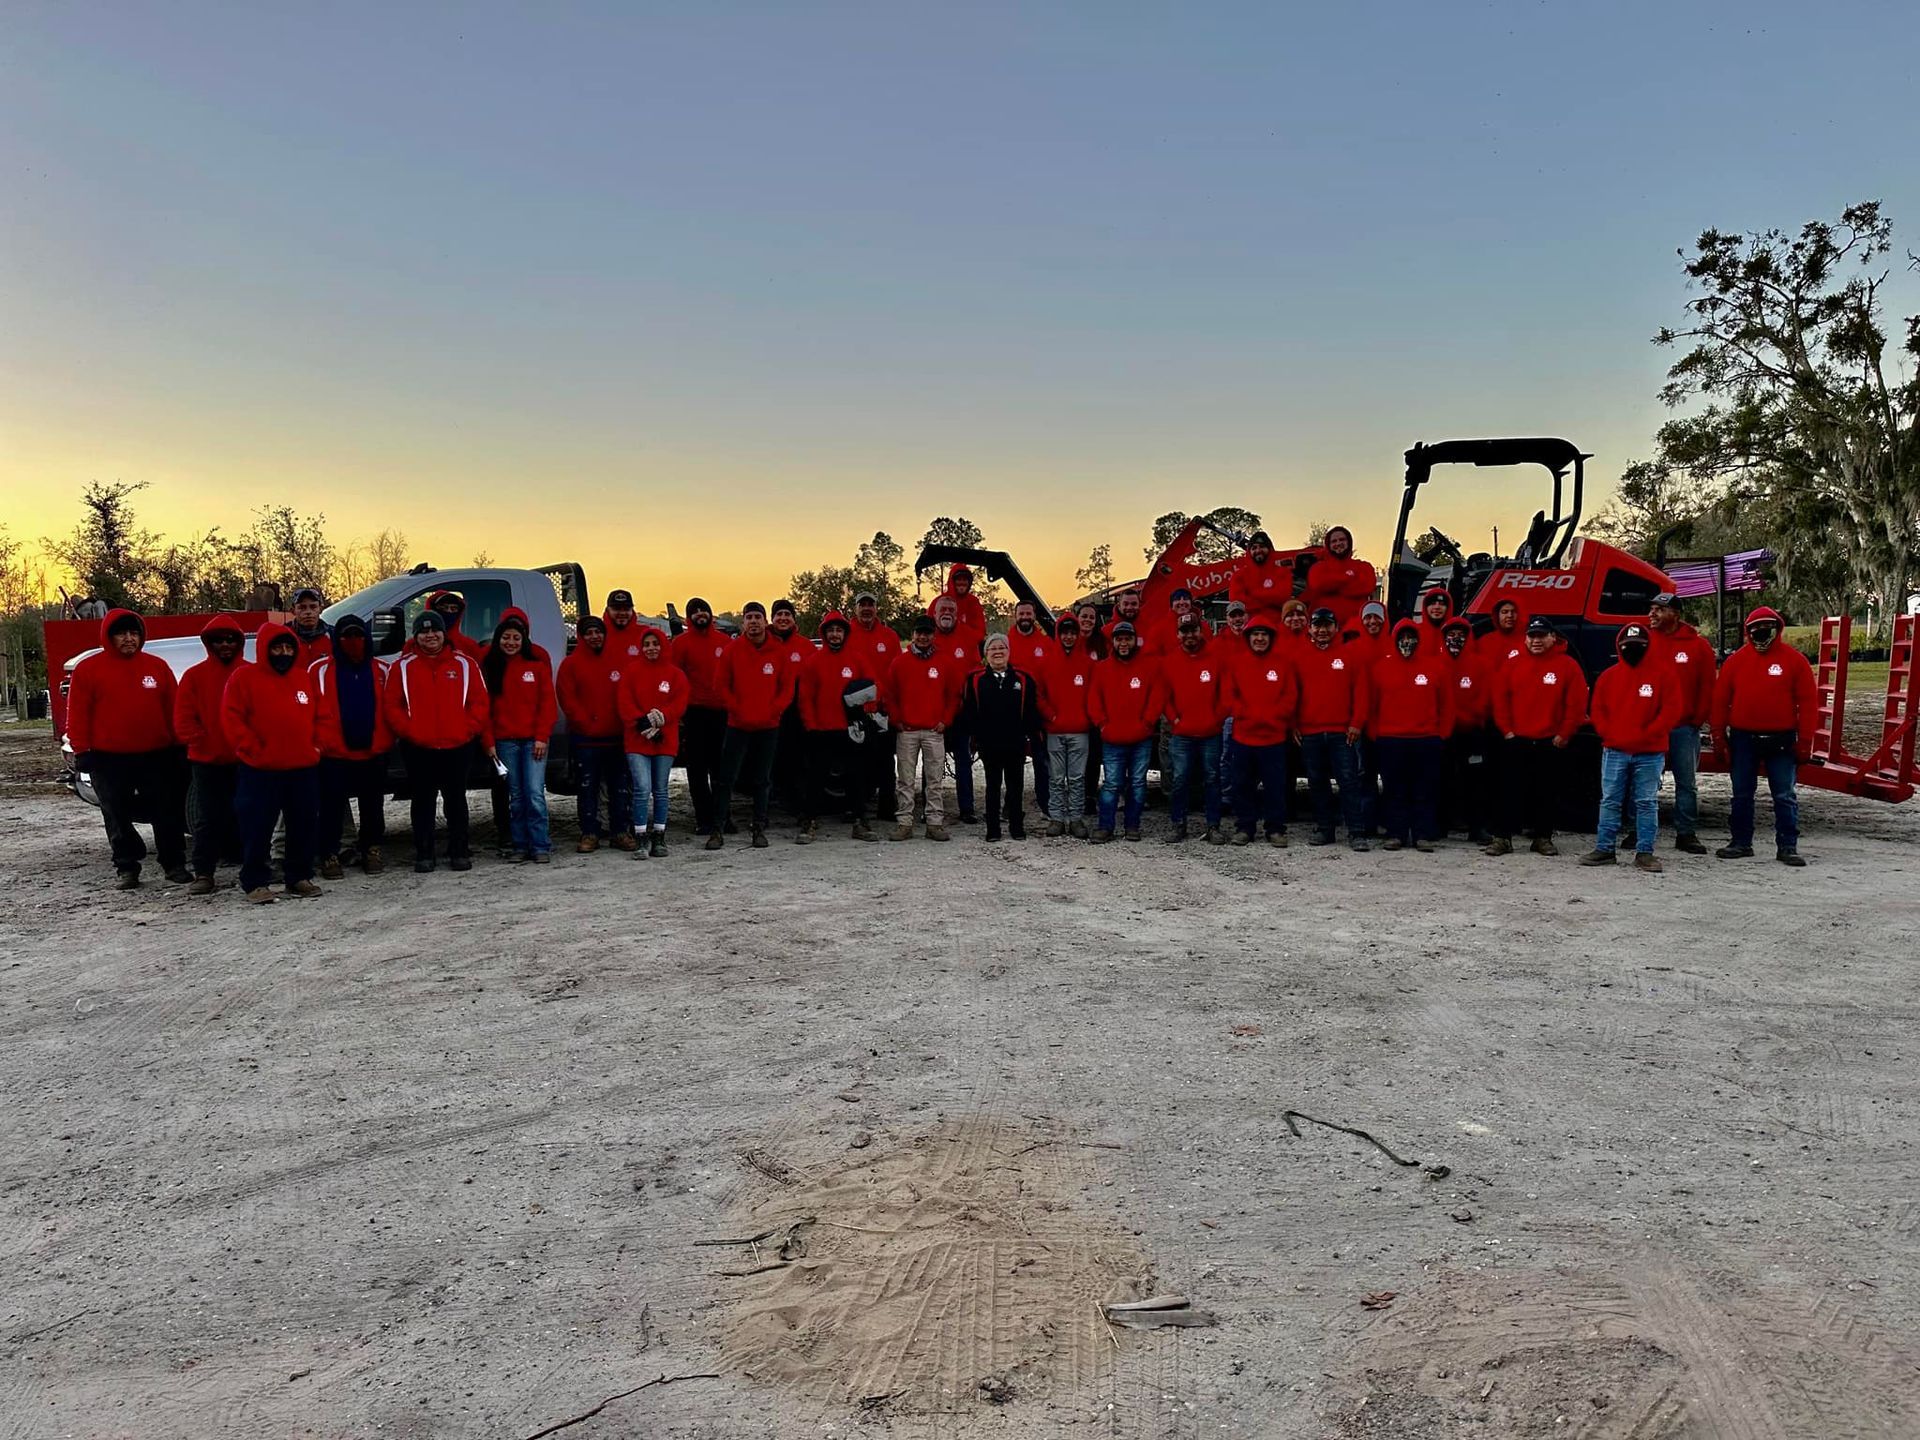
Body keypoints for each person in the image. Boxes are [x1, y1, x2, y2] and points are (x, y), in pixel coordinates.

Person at [66, 608, 188, 890]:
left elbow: (174, 709)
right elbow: (78, 713)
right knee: (116, 813)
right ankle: (127, 866)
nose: (129, 639)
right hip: (108, 757)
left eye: (134, 633)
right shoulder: (89, 669)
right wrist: (82, 749)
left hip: (156, 754)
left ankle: (174, 864)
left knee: (166, 811)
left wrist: (179, 743)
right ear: (109, 637)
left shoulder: (157, 667)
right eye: (121, 633)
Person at [221, 622, 324, 903]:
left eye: (288, 647)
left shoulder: (304, 678)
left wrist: (315, 747)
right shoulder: (244, 678)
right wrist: (253, 750)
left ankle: (299, 877)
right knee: (257, 828)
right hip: (260, 770)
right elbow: (232, 718)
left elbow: (321, 717)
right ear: (265, 649)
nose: (283, 652)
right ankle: (255, 882)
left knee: (303, 825)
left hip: (302, 767)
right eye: (277, 647)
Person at [384, 610, 491, 872]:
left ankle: (459, 851)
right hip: (418, 747)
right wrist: (409, 731)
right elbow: (391, 705)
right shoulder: (403, 666)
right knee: (423, 801)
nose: (430, 636)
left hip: (458, 745)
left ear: (444, 634)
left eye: (435, 631)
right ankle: (424, 853)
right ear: (416, 635)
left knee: (456, 800)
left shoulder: (465, 664)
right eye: (423, 631)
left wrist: (467, 731)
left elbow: (479, 702)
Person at [1712, 606, 1817, 866]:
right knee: (1741, 794)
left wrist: (1805, 741)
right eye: (1754, 629)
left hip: (1781, 739)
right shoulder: (1735, 662)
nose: (1760, 633)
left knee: (1784, 795)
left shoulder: (1795, 661)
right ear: (1747, 632)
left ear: (1778, 628)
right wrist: (1717, 737)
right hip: (1743, 738)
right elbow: (1719, 701)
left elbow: (1808, 703)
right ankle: (1740, 843)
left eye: (1766, 627)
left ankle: (1788, 847)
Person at [1582, 624, 1680, 871]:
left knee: (1646, 802)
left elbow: (1671, 711)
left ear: (1648, 647)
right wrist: (1609, 734)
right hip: (1615, 750)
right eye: (1627, 646)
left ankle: (1644, 853)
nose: (1631, 650)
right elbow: (1597, 711)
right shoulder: (1608, 676)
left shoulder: (1663, 675)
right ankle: (1605, 848)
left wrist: (1648, 734)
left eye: (1638, 646)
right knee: (1610, 801)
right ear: (1619, 646)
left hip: (1650, 752)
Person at [1486, 617, 1588, 856]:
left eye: (1542, 636)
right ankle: (1502, 838)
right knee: (1507, 790)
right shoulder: (1513, 663)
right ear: (1525, 638)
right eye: (1532, 636)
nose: (1536, 641)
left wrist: (1564, 734)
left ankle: (1542, 838)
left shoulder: (1567, 665)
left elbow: (1576, 703)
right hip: (1516, 739)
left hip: (1549, 741)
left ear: (1553, 637)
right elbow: (1499, 699)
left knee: (1546, 791)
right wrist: (1507, 730)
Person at [311, 614, 392, 879]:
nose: (353, 641)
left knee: (373, 806)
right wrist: (320, 744)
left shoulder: (382, 670)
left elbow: (392, 709)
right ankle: (329, 854)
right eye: (346, 636)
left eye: (358, 635)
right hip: (334, 753)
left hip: (373, 751)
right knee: (331, 807)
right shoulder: (319, 670)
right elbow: (310, 710)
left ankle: (372, 849)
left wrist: (387, 741)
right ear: (337, 639)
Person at [173, 613, 247, 893]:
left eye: (231, 639)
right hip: (207, 760)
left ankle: (253, 867)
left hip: (245, 759)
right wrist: (198, 739)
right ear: (209, 644)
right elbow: (182, 717)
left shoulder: (250, 673)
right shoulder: (194, 676)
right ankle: (204, 873)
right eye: (219, 640)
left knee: (250, 814)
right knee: (207, 818)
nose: (225, 645)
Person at [712, 602, 795, 849]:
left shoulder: (778, 652)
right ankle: (717, 829)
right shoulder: (731, 650)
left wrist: (774, 710)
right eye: (749, 617)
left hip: (768, 726)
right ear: (743, 622)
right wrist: (737, 709)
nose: (754, 622)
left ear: (764, 621)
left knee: (762, 779)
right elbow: (721, 686)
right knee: (727, 778)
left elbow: (786, 687)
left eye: (758, 617)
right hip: (737, 724)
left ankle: (759, 827)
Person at [1368, 619, 1452, 851]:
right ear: (1395, 640)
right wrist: (1377, 734)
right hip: (1391, 740)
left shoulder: (1435, 667)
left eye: (1411, 637)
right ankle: (1396, 833)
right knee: (1395, 790)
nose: (1407, 641)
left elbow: (1446, 705)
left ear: (1418, 640)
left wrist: (1441, 734)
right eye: (1402, 637)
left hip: (1426, 740)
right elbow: (1372, 705)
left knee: (1424, 790)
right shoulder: (1381, 668)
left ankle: (1422, 834)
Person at [795, 611, 879, 842]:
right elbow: (805, 697)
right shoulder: (813, 661)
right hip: (822, 729)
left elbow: (871, 688)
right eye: (830, 630)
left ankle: (860, 821)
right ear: (824, 633)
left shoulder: (857, 658)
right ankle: (809, 821)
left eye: (838, 630)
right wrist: (811, 725)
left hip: (851, 728)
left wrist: (866, 713)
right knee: (816, 778)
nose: (834, 634)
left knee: (856, 776)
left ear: (845, 633)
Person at [482, 608, 557, 864]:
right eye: (506, 637)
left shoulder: (536, 667)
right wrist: (489, 742)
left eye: (516, 638)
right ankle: (520, 845)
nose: (511, 642)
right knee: (516, 796)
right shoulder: (491, 668)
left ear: (523, 640)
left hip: (533, 742)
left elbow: (547, 705)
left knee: (534, 793)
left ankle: (540, 845)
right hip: (505, 743)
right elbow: (485, 711)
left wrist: (541, 737)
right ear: (498, 639)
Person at [1294, 607, 1369, 850]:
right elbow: (1293, 694)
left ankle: (1357, 832)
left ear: (1336, 628)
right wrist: (1294, 724)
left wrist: (1357, 723)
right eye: (1318, 625)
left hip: (1342, 733)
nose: (1322, 630)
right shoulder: (1300, 657)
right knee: (1317, 782)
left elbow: (1361, 693)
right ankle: (1325, 829)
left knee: (1348, 781)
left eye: (1327, 625)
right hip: (1311, 732)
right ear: (1310, 629)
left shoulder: (1351, 656)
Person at [1647, 591, 1716, 853]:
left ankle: (1686, 833)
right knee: (1647, 781)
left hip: (1683, 727)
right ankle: (1642, 831)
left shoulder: (1698, 646)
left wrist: (1697, 719)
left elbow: (1707, 685)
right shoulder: (1645, 641)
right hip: (1651, 726)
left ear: (1675, 614)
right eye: (1651, 609)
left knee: (1686, 783)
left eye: (1659, 609)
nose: (1652, 614)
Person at [558, 617, 635, 853]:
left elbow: (628, 693)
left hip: (616, 737)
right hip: (586, 739)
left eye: (598, 632)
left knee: (619, 788)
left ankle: (620, 832)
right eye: (589, 633)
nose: (595, 637)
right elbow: (567, 699)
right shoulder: (571, 664)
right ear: (582, 636)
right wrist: (585, 723)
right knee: (587, 788)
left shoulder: (619, 661)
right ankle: (589, 833)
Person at [885, 615, 959, 840]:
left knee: (934, 780)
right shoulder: (900, 662)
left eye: (927, 633)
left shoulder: (944, 661)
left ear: (933, 635)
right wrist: (896, 719)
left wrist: (946, 720)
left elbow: (953, 695)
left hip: (933, 731)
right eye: (919, 632)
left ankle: (934, 823)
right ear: (913, 634)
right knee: (905, 779)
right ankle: (904, 822)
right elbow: (890, 694)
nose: (923, 636)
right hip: (906, 731)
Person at [1222, 621, 1297, 846]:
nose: (1260, 639)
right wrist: (1247, 714)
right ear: (1248, 638)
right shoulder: (1236, 663)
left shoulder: (1283, 664)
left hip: (1273, 738)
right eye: (1255, 634)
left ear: (1271, 638)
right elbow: (1228, 696)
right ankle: (1245, 827)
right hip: (1243, 737)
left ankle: (1275, 829)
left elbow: (1290, 696)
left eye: (1264, 634)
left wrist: (1272, 716)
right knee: (1242, 785)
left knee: (1275, 786)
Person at [617, 626, 688, 857]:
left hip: (664, 740)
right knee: (642, 788)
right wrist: (643, 723)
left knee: (660, 789)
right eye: (646, 644)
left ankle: (659, 836)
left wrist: (662, 718)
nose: (651, 648)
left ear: (663, 645)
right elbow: (624, 702)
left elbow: (680, 702)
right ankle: (640, 837)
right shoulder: (631, 671)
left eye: (655, 644)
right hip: (637, 741)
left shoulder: (675, 674)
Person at [961, 634, 1040, 841]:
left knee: (1016, 786)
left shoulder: (1023, 678)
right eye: (992, 648)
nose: (997, 652)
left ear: (1009, 651)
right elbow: (970, 711)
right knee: (992, 786)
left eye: (1001, 648)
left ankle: (1016, 827)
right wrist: (976, 739)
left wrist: (1031, 738)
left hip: (1015, 742)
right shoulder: (976, 680)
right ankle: (993, 829)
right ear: (986, 654)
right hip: (989, 744)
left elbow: (1031, 711)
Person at [1087, 621, 1160, 842]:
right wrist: (1102, 724)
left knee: (1137, 783)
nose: (1123, 643)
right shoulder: (1101, 668)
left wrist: (1147, 722)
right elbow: (1093, 700)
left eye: (1127, 638)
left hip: (1141, 738)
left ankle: (1132, 826)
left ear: (1134, 640)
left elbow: (1156, 697)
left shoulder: (1147, 667)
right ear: (1114, 642)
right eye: (1119, 639)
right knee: (1111, 784)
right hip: (1112, 739)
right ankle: (1105, 826)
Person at [1159, 614, 1227, 843]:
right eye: (1184, 631)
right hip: (1182, 735)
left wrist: (1216, 720)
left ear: (1202, 631)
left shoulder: (1217, 658)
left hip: (1211, 733)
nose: (1189, 635)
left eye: (1193, 630)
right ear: (1178, 634)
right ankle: (1178, 824)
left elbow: (1225, 694)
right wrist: (1175, 720)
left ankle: (1213, 826)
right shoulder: (1169, 661)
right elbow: (1164, 697)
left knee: (1212, 778)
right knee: (1179, 780)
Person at [669, 598, 731, 838]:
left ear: (711, 615)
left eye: (704, 610)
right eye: (694, 612)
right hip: (694, 714)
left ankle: (723, 817)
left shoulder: (724, 642)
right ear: (688, 618)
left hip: (721, 713)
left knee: (721, 771)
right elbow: (675, 679)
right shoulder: (680, 644)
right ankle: (704, 819)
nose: (700, 614)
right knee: (697, 771)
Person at [1039, 609, 1095, 838]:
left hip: (1080, 731)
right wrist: (1050, 716)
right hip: (1054, 730)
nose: (1069, 637)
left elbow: (1094, 694)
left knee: (1077, 778)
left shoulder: (1088, 663)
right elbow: (1038, 695)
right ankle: (1056, 819)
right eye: (1065, 633)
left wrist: (1087, 718)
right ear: (1058, 634)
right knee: (1056, 778)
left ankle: (1075, 819)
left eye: (1073, 633)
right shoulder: (1046, 662)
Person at [848, 591, 901, 822]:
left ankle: (887, 807)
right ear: (855, 608)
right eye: (862, 605)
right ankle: (856, 808)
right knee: (857, 761)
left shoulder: (889, 636)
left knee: (886, 761)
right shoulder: (846, 634)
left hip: (882, 708)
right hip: (856, 710)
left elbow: (898, 671)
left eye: (871, 605)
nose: (867, 609)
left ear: (877, 608)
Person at [1440, 618, 1495, 843]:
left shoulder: (1480, 664)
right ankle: (1440, 826)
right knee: (1443, 780)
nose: (1456, 639)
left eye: (1460, 634)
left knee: (1475, 781)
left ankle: (1477, 828)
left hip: (1472, 733)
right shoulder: (1435, 663)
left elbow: (1484, 698)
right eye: (1451, 634)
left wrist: (1468, 718)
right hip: (1443, 733)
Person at [930, 595, 981, 823]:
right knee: (932, 763)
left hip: (960, 712)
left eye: (951, 609)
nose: (947, 613)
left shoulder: (968, 638)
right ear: (935, 613)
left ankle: (967, 808)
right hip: (934, 712)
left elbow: (977, 671)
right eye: (943, 609)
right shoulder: (927, 637)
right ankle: (930, 810)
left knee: (963, 760)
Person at [1007, 601, 1057, 814]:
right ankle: (1011, 804)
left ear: (1034, 616)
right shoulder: (1007, 642)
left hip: (1037, 710)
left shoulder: (1045, 643)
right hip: (1012, 711)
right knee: (1012, 759)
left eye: (1028, 613)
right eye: (1021, 613)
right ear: (1015, 615)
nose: (1025, 616)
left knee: (1040, 758)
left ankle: (1045, 801)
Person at [768, 599, 812, 814]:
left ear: (794, 619)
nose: (783, 618)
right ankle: (771, 800)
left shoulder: (805, 646)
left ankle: (799, 805)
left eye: (787, 614)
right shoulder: (763, 642)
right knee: (771, 757)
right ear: (772, 618)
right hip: (769, 710)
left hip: (798, 710)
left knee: (798, 758)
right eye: (779, 614)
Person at [1298, 525, 1377, 630]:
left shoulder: (1364, 566)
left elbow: (1367, 587)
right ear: (1328, 545)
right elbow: (1318, 585)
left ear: (1349, 542)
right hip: (1324, 629)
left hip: (1356, 629)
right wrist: (1347, 578)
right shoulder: (1318, 568)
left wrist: (1333, 585)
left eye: (1342, 540)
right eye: (1334, 541)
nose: (1338, 543)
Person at [1228, 530, 1290, 628]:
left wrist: (1252, 593)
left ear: (1269, 549)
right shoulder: (1239, 575)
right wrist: (1269, 600)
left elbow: (1283, 597)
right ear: (1249, 551)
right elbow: (1237, 601)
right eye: (1254, 548)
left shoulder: (1283, 573)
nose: (1258, 550)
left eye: (1262, 546)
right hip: (1248, 628)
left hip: (1276, 627)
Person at [932, 564, 987, 657]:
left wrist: (961, 634)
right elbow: (928, 630)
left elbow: (980, 632)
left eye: (965, 579)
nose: (962, 582)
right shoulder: (938, 601)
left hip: (966, 651)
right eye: (958, 579)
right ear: (952, 581)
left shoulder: (973, 602)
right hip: (941, 651)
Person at [287, 587, 333, 665]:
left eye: (313, 607)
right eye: (302, 607)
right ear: (293, 610)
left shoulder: (334, 635)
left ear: (320, 609)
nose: (308, 612)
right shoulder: (283, 636)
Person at [1477, 598, 1524, 667]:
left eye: (1514, 612)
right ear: (1497, 615)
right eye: (1505, 612)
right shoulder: (1484, 641)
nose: (1510, 615)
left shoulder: (1529, 640)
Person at [604, 589, 645, 665]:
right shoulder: (598, 635)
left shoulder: (645, 634)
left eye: (626, 609)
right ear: (607, 610)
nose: (622, 613)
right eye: (617, 609)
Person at [1416, 587, 1454, 651]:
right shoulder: (1415, 632)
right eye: (1432, 603)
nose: (1437, 607)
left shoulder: (1457, 634)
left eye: (1442, 604)